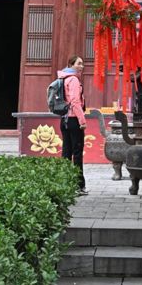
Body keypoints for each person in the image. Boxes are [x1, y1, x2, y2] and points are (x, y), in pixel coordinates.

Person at [58, 55, 88, 195]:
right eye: (79, 64)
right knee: (77, 153)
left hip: (64, 119)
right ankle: (78, 185)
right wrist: (82, 121)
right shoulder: (74, 80)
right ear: (71, 65)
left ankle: (64, 183)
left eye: (82, 64)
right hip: (73, 120)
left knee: (66, 152)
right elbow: (75, 102)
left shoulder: (62, 78)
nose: (81, 66)